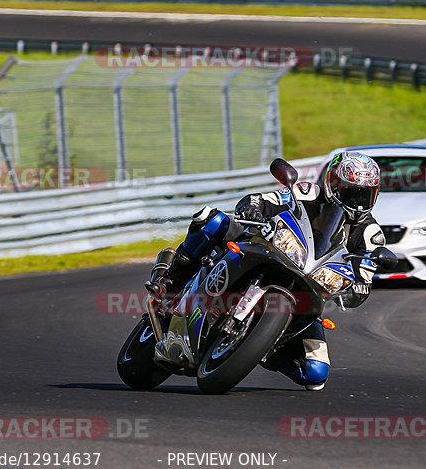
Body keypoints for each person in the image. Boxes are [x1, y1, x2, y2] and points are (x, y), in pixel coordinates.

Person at [144, 151, 385, 391]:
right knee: (212, 220)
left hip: (311, 284)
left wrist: (354, 289)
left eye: (365, 194)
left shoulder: (370, 234)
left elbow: (364, 278)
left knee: (315, 373)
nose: (358, 201)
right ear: (333, 184)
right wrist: (253, 208)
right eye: (352, 192)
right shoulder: (306, 192)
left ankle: (262, 346)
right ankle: (170, 278)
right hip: (268, 245)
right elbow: (261, 199)